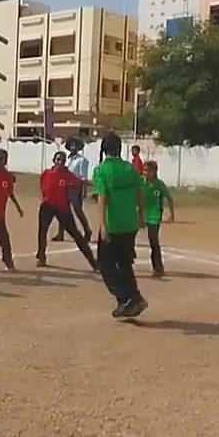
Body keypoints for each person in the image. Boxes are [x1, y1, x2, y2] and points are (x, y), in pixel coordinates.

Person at [94, 132, 148, 318]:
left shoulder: (101, 170)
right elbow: (140, 194)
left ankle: (129, 297)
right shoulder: (130, 168)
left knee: (105, 266)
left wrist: (102, 225)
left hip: (113, 225)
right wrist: (142, 215)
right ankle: (130, 302)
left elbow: (102, 199)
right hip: (130, 224)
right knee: (124, 264)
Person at [35, 151, 97, 270]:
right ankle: (41, 257)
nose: (60, 163)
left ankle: (93, 262)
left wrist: (94, 185)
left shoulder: (67, 175)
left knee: (76, 234)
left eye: (63, 161)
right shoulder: (46, 173)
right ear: (54, 160)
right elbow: (43, 186)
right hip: (47, 206)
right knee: (42, 232)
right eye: (58, 160)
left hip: (62, 208)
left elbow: (79, 182)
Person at [53, 138, 92, 243]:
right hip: (64, 186)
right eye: (71, 145)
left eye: (75, 145)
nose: (73, 147)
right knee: (62, 210)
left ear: (79, 147)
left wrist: (84, 190)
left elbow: (83, 177)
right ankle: (60, 233)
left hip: (75, 188)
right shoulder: (66, 159)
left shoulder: (82, 160)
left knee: (78, 210)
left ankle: (87, 231)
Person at [141, 160, 175, 278]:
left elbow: (169, 199)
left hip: (154, 216)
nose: (144, 173)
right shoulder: (141, 182)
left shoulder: (159, 184)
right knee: (128, 237)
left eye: (147, 170)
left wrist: (171, 214)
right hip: (139, 214)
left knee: (153, 241)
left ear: (154, 171)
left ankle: (158, 268)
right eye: (144, 170)